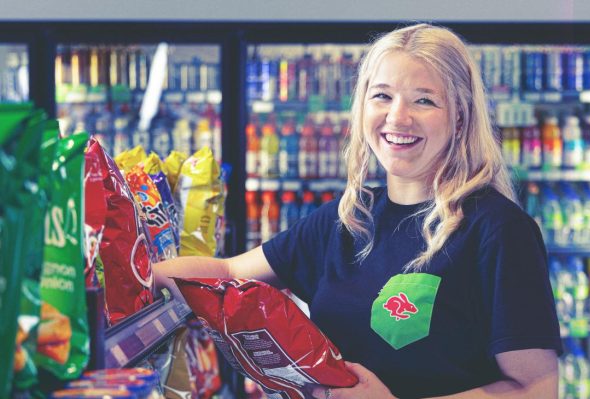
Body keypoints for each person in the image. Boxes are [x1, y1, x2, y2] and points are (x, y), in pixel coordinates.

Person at [155, 23, 562, 399]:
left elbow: (536, 388)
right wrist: (134, 273)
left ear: (460, 117)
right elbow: (226, 273)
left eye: (424, 100)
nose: (397, 117)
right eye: (382, 95)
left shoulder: (499, 229)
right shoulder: (348, 218)